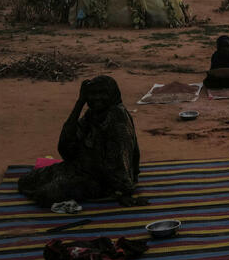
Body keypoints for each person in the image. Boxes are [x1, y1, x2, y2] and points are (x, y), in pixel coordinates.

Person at [18, 75, 141, 207]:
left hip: (104, 181)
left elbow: (120, 161)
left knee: (45, 195)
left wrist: (124, 192)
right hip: (82, 168)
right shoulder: (93, 114)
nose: (97, 98)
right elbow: (67, 144)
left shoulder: (118, 120)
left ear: (112, 94)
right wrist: (80, 102)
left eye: (102, 93)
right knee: (26, 181)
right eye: (92, 94)